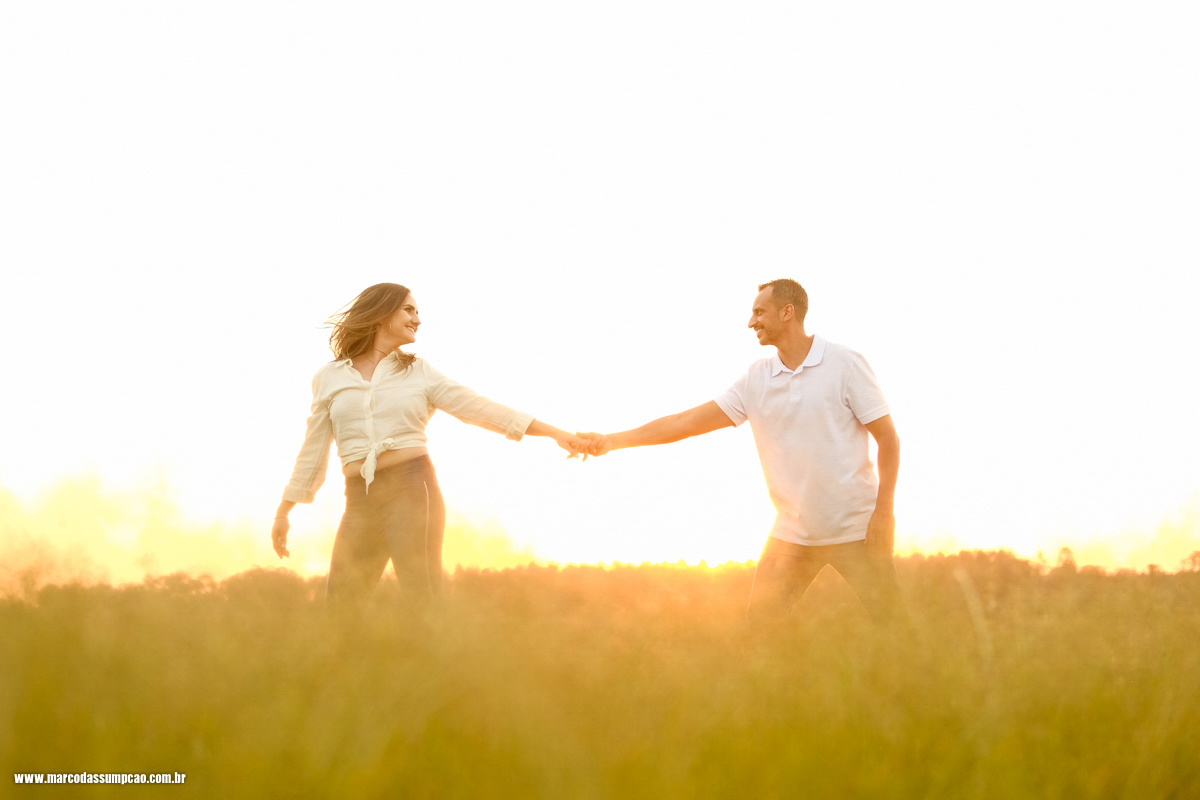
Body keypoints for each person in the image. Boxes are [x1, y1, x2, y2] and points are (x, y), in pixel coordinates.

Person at [579, 279, 907, 627]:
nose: (751, 322)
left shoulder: (845, 363)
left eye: (759, 312)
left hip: (857, 530)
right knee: (760, 632)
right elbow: (684, 423)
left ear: (787, 313)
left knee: (894, 627)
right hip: (792, 535)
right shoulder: (756, 380)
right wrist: (612, 440)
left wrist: (883, 512)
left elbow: (887, 438)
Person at [272, 283, 583, 606]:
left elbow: (479, 408)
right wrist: (284, 511)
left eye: (417, 312)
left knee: (424, 600)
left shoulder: (419, 372)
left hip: (412, 489)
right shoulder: (329, 377)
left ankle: (441, 640)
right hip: (360, 500)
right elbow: (313, 448)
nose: (417, 319)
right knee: (341, 605)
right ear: (381, 313)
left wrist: (555, 433)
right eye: (408, 310)